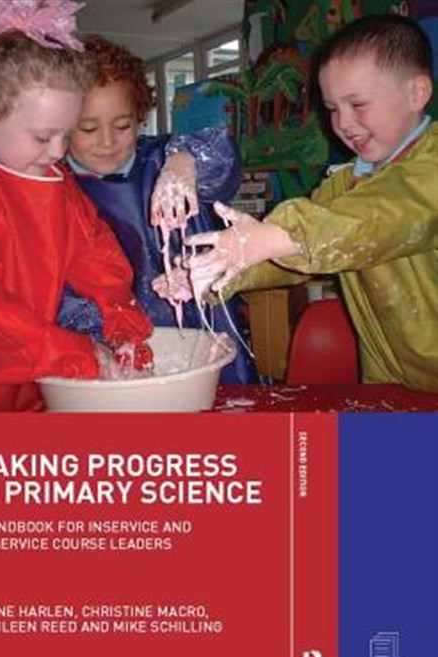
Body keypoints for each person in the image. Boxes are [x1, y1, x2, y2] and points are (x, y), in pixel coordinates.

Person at [185, 14, 437, 393]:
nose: (343, 123)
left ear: (417, 93)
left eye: (358, 104)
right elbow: (290, 256)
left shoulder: (431, 167)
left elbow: (370, 219)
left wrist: (271, 237)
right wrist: (222, 270)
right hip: (387, 381)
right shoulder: (345, 183)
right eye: (333, 108)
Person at [0, 0, 153, 412]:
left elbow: (96, 255)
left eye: (66, 135)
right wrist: (79, 355)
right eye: (42, 136)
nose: (57, 152)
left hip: (33, 383)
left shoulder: (51, 175)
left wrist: (124, 324)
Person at [61, 35, 258, 384]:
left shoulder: (162, 159)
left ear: (140, 117)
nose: (107, 141)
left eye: (122, 125)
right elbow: (62, 289)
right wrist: (98, 336)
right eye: (88, 128)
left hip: (202, 325)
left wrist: (186, 161)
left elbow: (223, 160)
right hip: (110, 340)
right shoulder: (55, 190)